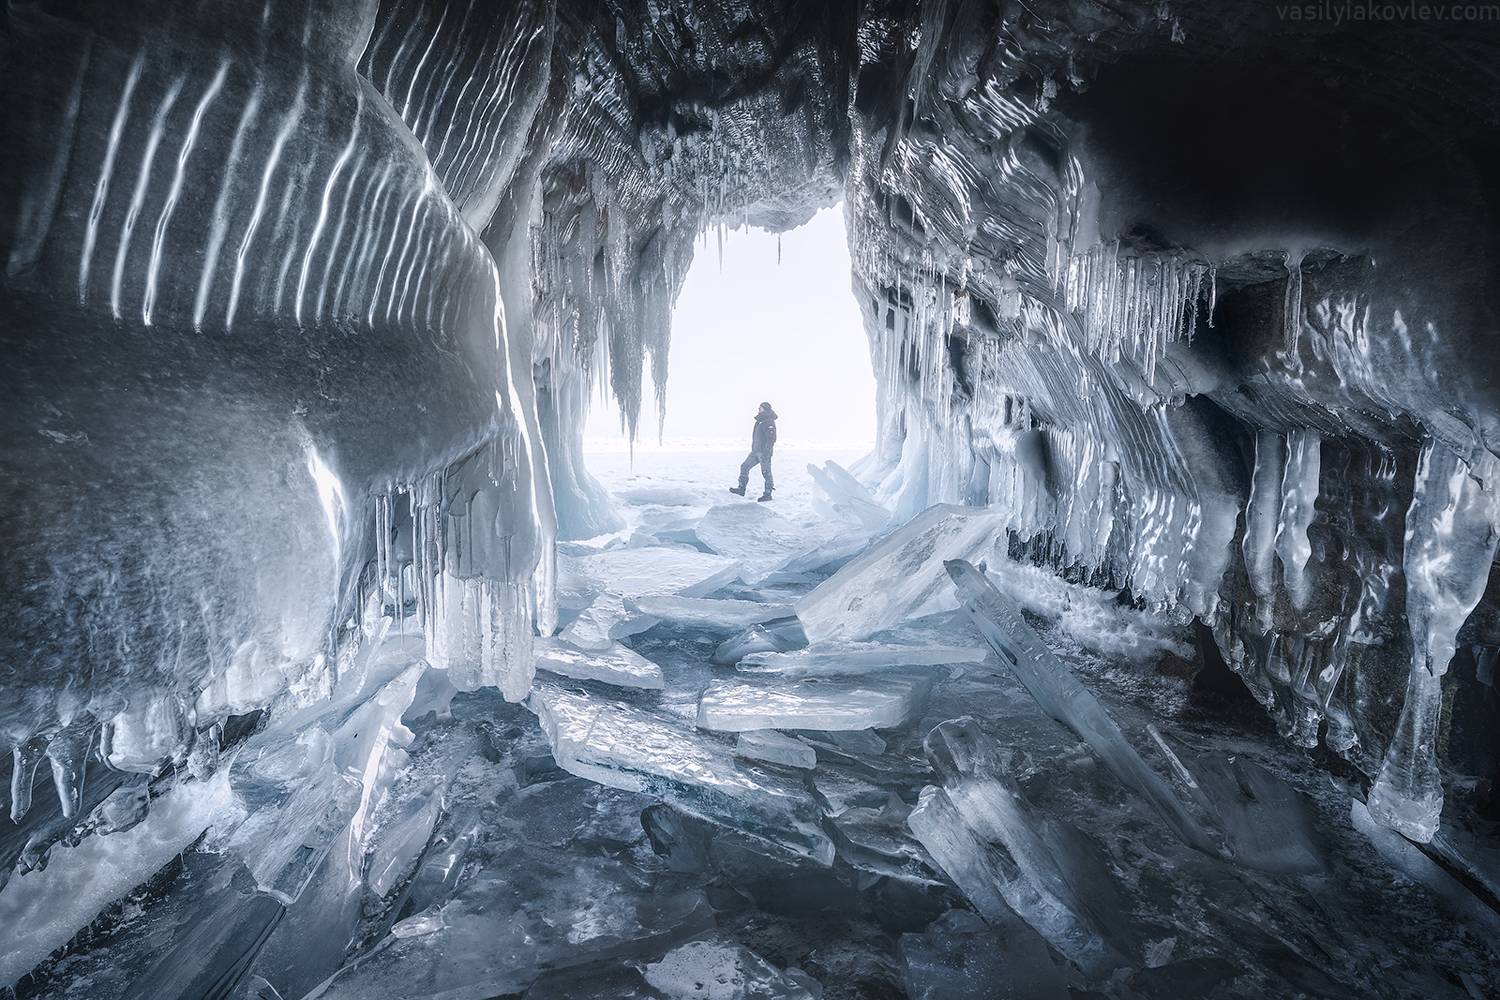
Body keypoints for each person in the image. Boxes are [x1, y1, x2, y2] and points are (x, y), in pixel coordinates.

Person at [730, 402, 777, 501]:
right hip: (755, 452)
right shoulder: (760, 421)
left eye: (760, 408)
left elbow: (771, 439)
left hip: (764, 453)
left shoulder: (768, 421)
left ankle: (768, 495)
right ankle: (741, 489)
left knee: (766, 473)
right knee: (744, 466)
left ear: (765, 409)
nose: (758, 410)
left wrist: (766, 452)